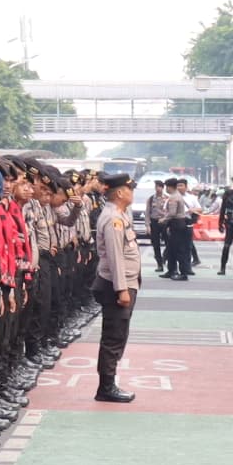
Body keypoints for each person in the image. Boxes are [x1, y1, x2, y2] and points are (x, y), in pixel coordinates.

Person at [89, 171, 141, 400]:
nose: (132, 193)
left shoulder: (120, 214)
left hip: (124, 282)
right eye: (129, 189)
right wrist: (122, 289)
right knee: (113, 337)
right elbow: (115, 256)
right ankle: (106, 387)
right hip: (115, 285)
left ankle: (109, 383)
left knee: (119, 335)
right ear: (120, 192)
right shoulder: (113, 219)